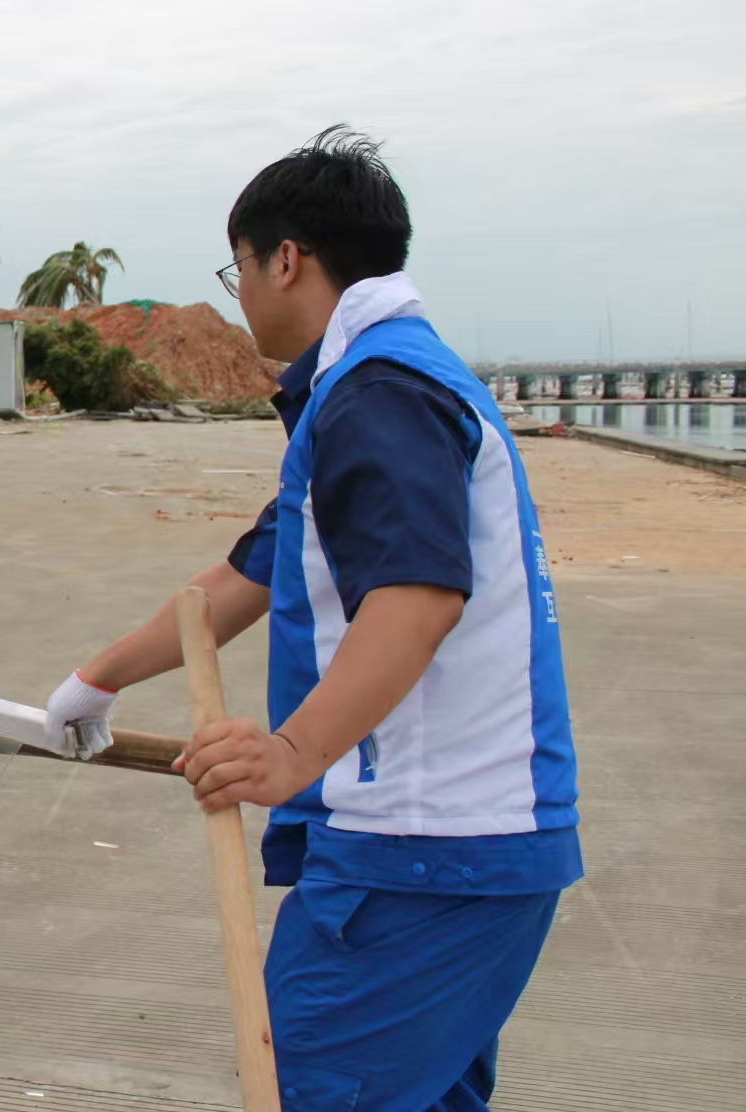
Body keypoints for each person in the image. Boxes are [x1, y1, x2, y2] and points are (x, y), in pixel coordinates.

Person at [42, 128, 581, 1111]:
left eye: (237, 265)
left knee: (313, 1086)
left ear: (285, 257)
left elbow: (417, 599)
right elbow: (252, 570)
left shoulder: (383, 392)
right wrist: (101, 674)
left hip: (422, 852)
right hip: (458, 848)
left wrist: (289, 752)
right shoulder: (374, 384)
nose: (239, 290)